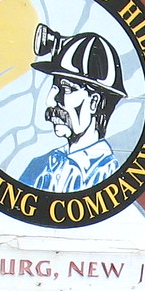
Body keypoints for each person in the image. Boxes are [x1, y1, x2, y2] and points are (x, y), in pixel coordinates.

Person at [20, 25, 126, 192]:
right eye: (54, 87)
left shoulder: (110, 175)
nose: (50, 100)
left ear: (94, 102)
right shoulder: (39, 166)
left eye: (67, 89)